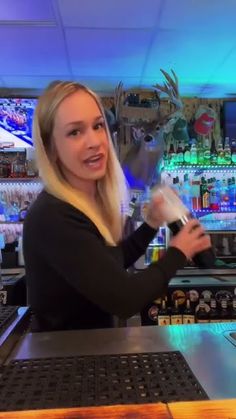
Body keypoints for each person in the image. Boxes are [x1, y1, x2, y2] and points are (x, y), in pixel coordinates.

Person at [23, 81, 211, 332]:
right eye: (75, 132)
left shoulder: (79, 204)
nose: (94, 141)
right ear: (51, 148)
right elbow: (125, 299)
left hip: (83, 355)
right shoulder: (53, 216)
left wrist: (151, 224)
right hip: (64, 364)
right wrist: (178, 252)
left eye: (97, 125)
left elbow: (111, 264)